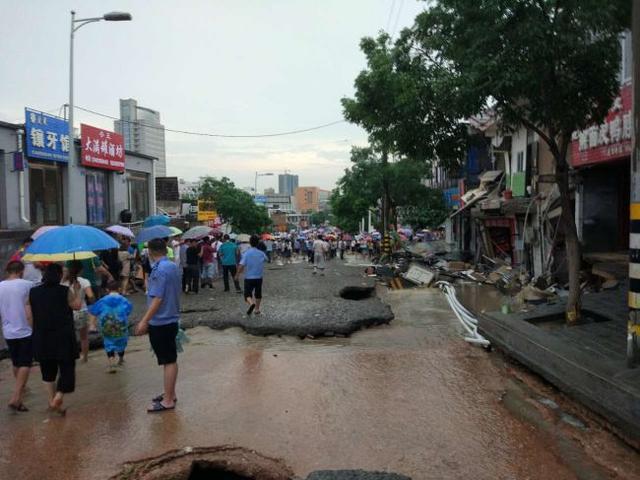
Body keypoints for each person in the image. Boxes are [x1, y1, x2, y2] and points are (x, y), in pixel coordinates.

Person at [135, 238, 181, 413]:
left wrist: (144, 321)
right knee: (169, 358)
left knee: (168, 360)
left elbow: (158, 298)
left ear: (150, 252)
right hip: (170, 318)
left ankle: (168, 400)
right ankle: (170, 393)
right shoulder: (171, 266)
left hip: (161, 321)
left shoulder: (159, 270)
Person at [29, 263, 81, 415]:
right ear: (59, 275)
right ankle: (59, 396)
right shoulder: (65, 291)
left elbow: (29, 316)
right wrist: (76, 290)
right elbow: (77, 306)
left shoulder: (33, 292)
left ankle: (52, 402)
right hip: (63, 335)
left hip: (42, 335)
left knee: (47, 372)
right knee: (67, 368)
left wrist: (35, 332)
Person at [0, 261, 33, 412]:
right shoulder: (27, 285)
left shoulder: (0, 286)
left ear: (7, 271)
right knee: (26, 363)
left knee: (16, 363)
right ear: (21, 271)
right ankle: (16, 396)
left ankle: (20, 395)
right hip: (25, 329)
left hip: (8, 330)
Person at [88, 280, 132, 373]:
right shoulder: (124, 300)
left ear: (107, 290)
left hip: (107, 326)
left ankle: (111, 363)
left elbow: (93, 312)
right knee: (121, 343)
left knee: (109, 343)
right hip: (121, 326)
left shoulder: (102, 301)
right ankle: (120, 359)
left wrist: (92, 324)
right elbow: (128, 311)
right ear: (119, 289)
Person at [62, 261, 95, 363]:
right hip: (82, 311)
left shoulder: (63, 282)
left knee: (68, 337)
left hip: (67, 313)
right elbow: (90, 297)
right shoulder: (84, 281)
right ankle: (84, 357)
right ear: (81, 270)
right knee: (84, 337)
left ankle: (69, 357)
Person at [235, 234, 268, 315]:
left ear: (250, 242)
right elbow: (266, 259)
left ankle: (251, 303)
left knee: (247, 294)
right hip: (259, 277)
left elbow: (241, 265)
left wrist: (237, 275)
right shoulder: (261, 253)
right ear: (257, 243)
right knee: (258, 293)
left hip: (249, 277)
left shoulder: (246, 253)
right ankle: (257, 309)